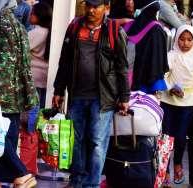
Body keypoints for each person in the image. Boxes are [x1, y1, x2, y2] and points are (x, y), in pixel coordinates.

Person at [52, 0, 130, 187]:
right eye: (89, 5)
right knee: (76, 141)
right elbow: (65, 61)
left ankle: (92, 184)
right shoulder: (74, 27)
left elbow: (122, 67)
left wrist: (124, 97)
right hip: (77, 94)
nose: (91, 10)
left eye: (96, 6)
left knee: (96, 143)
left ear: (107, 8)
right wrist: (58, 89)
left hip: (103, 98)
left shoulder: (114, 31)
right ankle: (76, 180)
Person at [0, 0, 39, 187]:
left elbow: (4, 60)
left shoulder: (1, 23)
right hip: (12, 92)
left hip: (3, 91)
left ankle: (21, 175)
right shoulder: (12, 20)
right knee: (6, 134)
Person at [160, 25, 193, 187]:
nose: (185, 43)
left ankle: (177, 163)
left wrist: (191, 91)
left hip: (187, 103)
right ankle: (164, 170)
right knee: (166, 136)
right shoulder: (171, 56)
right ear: (176, 39)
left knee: (180, 136)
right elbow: (163, 74)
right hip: (167, 100)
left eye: (189, 40)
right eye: (182, 39)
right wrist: (170, 87)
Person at [127, 0, 169, 94]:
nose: (129, 3)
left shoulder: (155, 30)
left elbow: (155, 65)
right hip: (128, 87)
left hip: (143, 89)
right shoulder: (130, 25)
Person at [28, 2, 52, 108]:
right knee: (42, 108)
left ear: (39, 16)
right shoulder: (50, 31)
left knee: (34, 109)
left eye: (32, 13)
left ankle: (32, 126)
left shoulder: (36, 33)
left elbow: (21, 49)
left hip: (34, 76)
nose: (30, 15)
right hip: (46, 75)